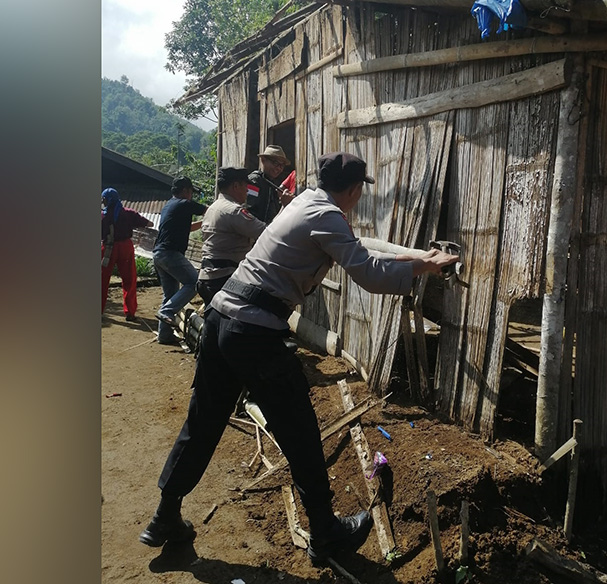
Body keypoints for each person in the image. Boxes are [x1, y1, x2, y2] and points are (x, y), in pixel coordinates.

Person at [139, 152, 460, 564]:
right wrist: (427, 268)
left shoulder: (306, 204)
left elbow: (363, 254)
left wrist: (423, 261)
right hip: (254, 331)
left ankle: (165, 515)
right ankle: (326, 534)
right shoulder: (328, 216)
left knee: (202, 422)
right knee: (301, 434)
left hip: (221, 317)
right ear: (354, 189)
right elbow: (369, 272)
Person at [196, 167, 267, 306]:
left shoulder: (214, 207)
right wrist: (286, 207)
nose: (247, 191)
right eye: (245, 186)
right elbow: (267, 233)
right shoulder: (233, 211)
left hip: (208, 277)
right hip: (224, 280)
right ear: (236, 186)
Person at [153, 176, 208, 345]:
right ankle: (168, 311)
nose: (191, 196)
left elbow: (189, 228)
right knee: (194, 282)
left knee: (170, 294)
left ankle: (164, 335)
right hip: (171, 254)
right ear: (186, 191)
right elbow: (211, 210)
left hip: (159, 254)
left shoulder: (170, 205)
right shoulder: (184, 204)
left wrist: (204, 222)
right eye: (191, 192)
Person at [101, 188, 153, 321]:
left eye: (104, 199)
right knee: (129, 280)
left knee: (101, 280)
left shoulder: (102, 216)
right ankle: (130, 312)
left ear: (107, 200)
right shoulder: (129, 213)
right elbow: (149, 223)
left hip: (107, 249)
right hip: (125, 247)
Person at [247, 145, 295, 224]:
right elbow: (248, 211)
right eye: (275, 163)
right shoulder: (254, 181)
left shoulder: (272, 184)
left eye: (282, 165)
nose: (278, 168)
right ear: (263, 160)